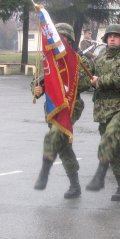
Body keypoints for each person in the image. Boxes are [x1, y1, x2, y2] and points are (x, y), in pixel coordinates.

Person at [33, 23, 92, 199]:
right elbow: (37, 81)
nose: (59, 40)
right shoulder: (47, 59)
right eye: (57, 36)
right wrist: (37, 89)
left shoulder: (78, 59)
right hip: (52, 107)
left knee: (54, 136)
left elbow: (85, 83)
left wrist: (66, 74)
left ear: (70, 40)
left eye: (63, 37)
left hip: (71, 105)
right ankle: (75, 185)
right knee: (64, 145)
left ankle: (44, 170)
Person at [86, 24, 120, 201]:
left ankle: (100, 176)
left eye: (116, 36)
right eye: (110, 36)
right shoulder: (100, 58)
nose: (112, 38)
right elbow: (89, 78)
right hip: (103, 107)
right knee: (112, 146)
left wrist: (99, 81)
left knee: (110, 136)